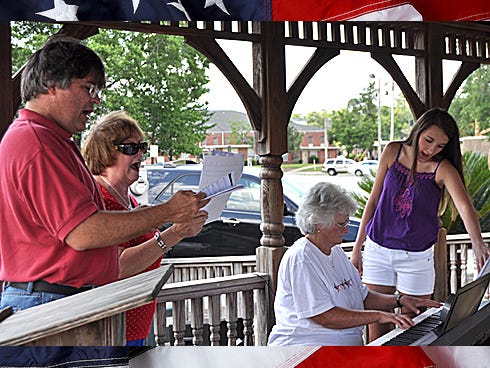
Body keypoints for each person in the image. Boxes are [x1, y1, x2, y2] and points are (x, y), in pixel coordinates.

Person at [0, 37, 209, 313]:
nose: (96, 100)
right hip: (50, 300)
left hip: (59, 298)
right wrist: (167, 211)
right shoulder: (38, 143)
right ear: (51, 85)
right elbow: (82, 232)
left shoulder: (49, 139)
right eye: (89, 88)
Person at [351, 107, 490, 342]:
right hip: (377, 251)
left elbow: (466, 208)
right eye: (429, 140)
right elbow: (373, 201)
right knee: (378, 329)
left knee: (413, 331)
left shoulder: (442, 168)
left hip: (416, 259)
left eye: (440, 146)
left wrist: (477, 243)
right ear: (418, 131)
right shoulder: (392, 151)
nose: (431, 150)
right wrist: (357, 248)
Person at [81, 110, 207, 346]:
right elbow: (117, 266)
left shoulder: (131, 202)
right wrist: (174, 234)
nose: (139, 153)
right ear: (105, 153)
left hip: (137, 326)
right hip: (109, 331)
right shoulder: (100, 201)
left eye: (142, 147)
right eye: (130, 148)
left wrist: (184, 228)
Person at [267, 182, 440, 346]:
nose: (346, 229)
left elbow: (363, 297)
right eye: (341, 224)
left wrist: (400, 301)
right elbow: (324, 316)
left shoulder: (335, 251)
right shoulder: (302, 259)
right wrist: (378, 316)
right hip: (306, 348)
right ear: (318, 224)